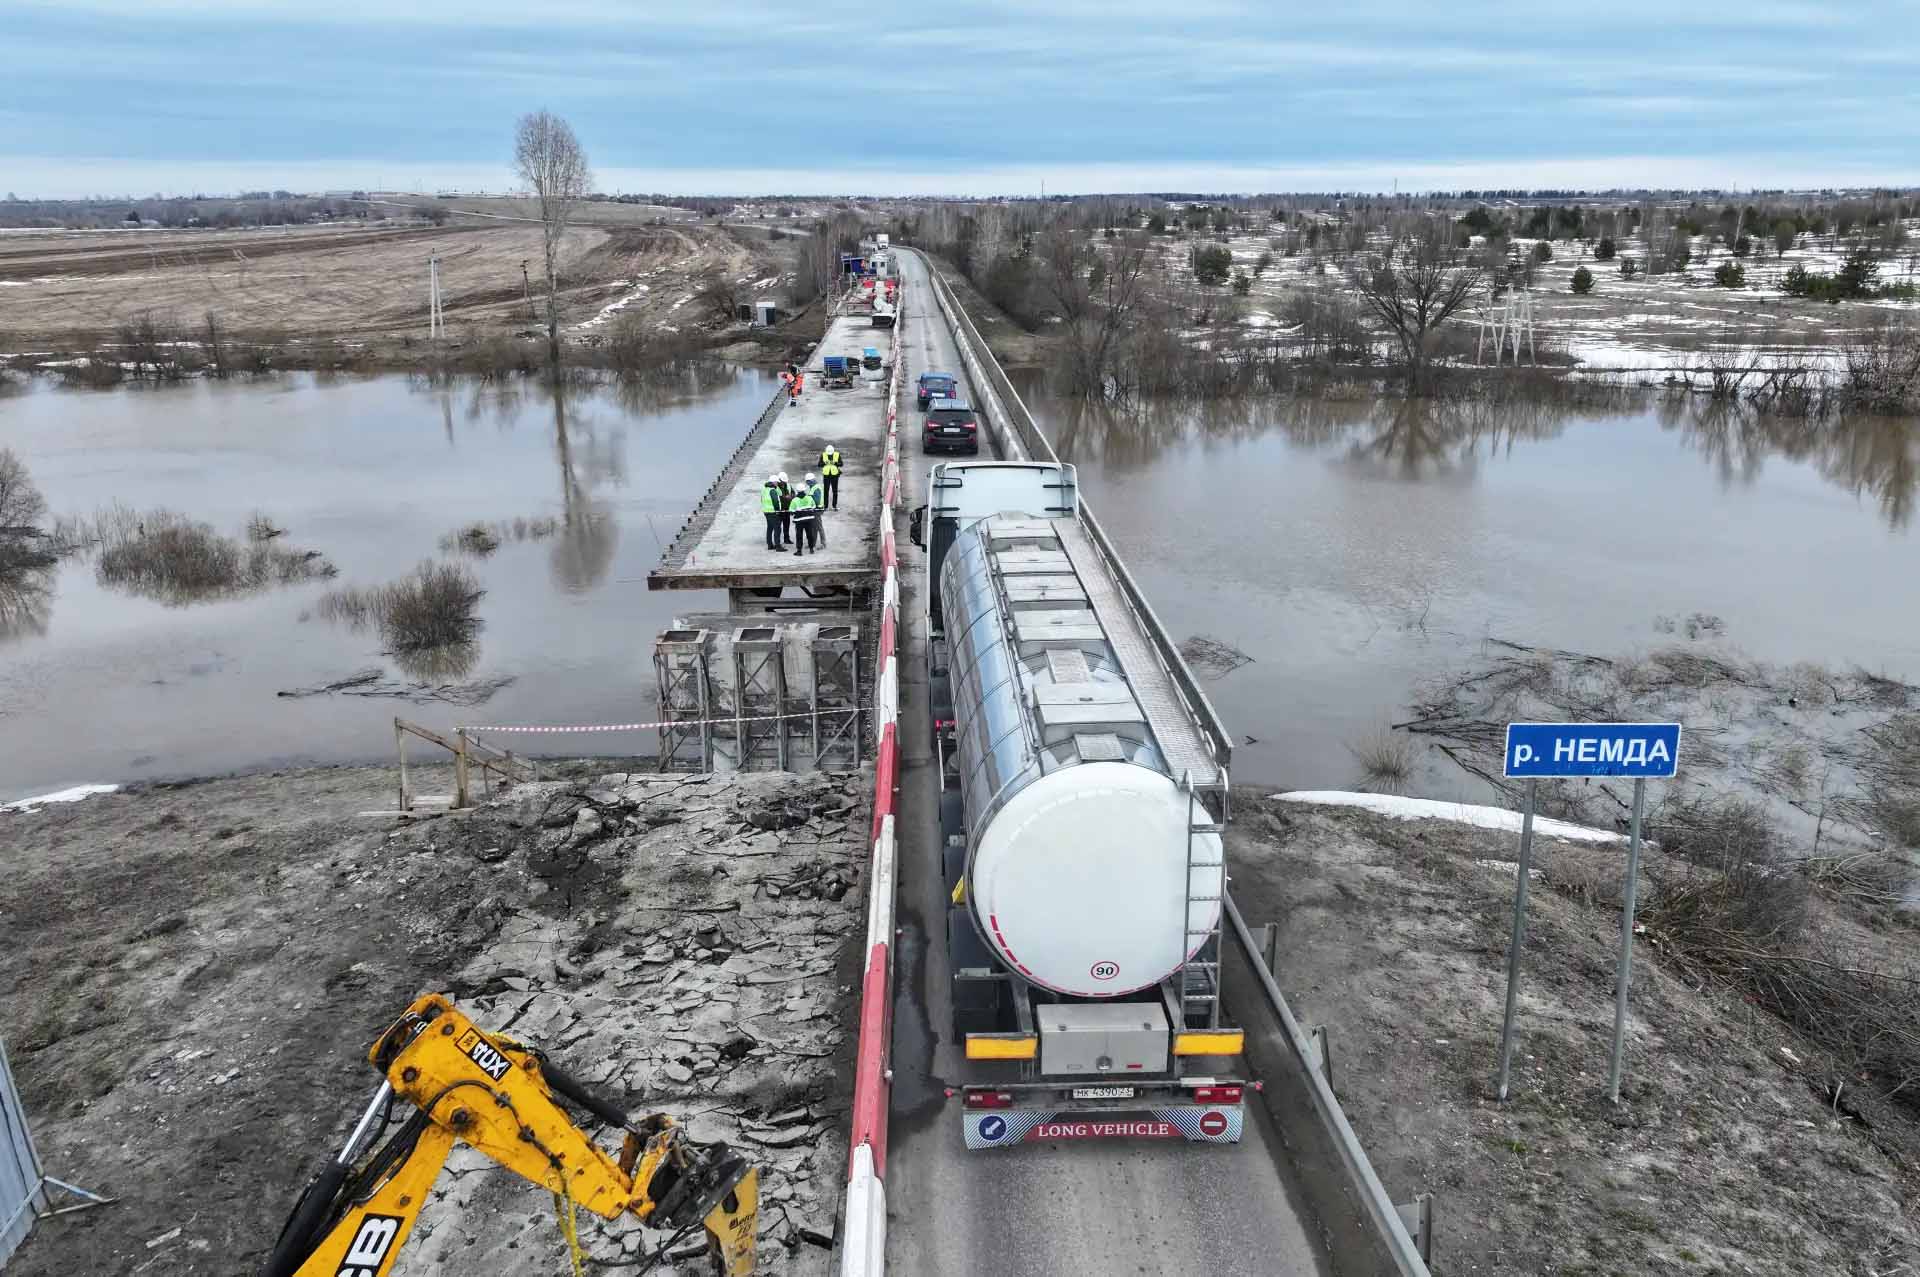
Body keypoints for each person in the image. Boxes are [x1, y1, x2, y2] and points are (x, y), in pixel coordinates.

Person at [789, 483, 817, 556]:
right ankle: (811, 549)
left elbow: (791, 511)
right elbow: (814, 506)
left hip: (799, 521)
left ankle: (799, 551)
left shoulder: (794, 500)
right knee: (810, 534)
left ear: (797, 491)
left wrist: (796, 512)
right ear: (804, 490)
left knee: (799, 536)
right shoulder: (809, 498)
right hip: (809, 520)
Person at [804, 472, 826, 548]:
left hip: (817, 510)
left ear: (811, 481)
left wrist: (808, 503)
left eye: (807, 481)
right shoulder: (813, 487)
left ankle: (823, 543)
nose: (806, 483)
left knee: (819, 527)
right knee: (814, 527)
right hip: (815, 509)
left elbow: (816, 501)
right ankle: (813, 543)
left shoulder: (815, 488)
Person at [760, 474, 782, 550]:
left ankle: (769, 545)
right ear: (774, 482)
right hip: (773, 512)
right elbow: (775, 501)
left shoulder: (764, 489)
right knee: (777, 529)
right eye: (777, 482)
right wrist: (777, 510)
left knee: (770, 528)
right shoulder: (772, 490)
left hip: (766, 511)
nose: (777, 484)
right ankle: (778, 546)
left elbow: (762, 500)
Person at [819, 445, 841, 509]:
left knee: (835, 491)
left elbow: (841, 464)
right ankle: (825, 506)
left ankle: (834, 505)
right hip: (826, 476)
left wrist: (835, 463)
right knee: (826, 491)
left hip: (835, 476)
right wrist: (824, 463)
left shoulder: (837, 454)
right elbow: (819, 464)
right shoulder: (823, 455)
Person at [775, 472, 793, 546]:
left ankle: (787, 539)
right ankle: (778, 542)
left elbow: (793, 493)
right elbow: (777, 498)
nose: (784, 483)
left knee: (787, 525)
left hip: (787, 509)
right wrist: (785, 498)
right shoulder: (776, 487)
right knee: (778, 527)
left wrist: (791, 496)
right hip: (780, 510)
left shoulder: (788, 485)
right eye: (783, 481)